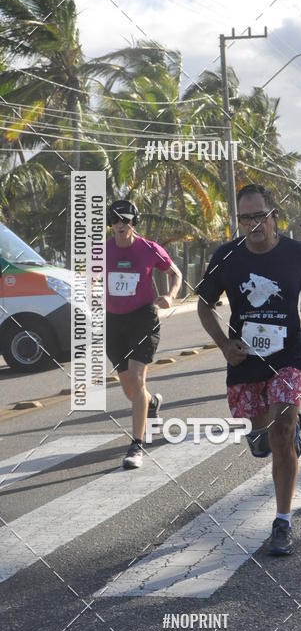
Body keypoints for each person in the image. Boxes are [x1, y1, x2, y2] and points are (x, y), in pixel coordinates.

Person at [197, 184, 301, 557]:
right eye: (245, 218)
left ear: (274, 216)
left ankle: (282, 522)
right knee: (262, 441)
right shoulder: (227, 256)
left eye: (260, 216)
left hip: (288, 356)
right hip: (245, 361)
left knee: (281, 434)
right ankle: (277, 432)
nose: (253, 224)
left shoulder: (298, 255)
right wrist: (224, 345)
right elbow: (204, 305)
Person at [105, 200, 182, 470]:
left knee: (137, 379)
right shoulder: (102, 251)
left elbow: (175, 273)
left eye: (126, 220)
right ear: (110, 223)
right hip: (113, 322)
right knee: (130, 390)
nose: (121, 225)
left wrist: (170, 295)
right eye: (116, 220)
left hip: (142, 318)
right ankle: (152, 403)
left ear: (134, 222)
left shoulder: (149, 249)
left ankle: (136, 445)